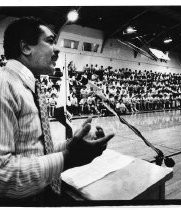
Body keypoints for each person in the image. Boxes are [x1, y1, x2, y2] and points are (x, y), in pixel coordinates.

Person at [0, 16, 114, 206]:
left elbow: (34, 152)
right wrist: (68, 158)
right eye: (50, 41)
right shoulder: (4, 85)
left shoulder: (28, 86)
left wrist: (72, 145)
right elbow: (3, 174)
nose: (58, 48)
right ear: (26, 47)